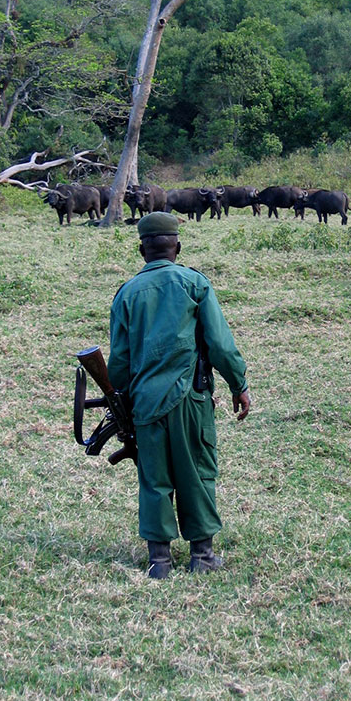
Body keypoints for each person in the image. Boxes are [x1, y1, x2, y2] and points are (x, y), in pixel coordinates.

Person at [107, 212, 251, 579]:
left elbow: (119, 360)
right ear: (178, 247)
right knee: (196, 472)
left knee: (154, 478)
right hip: (191, 399)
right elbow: (220, 345)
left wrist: (120, 401)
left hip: (144, 403)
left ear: (142, 250)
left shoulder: (126, 293)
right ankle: (202, 556)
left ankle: (159, 562)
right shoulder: (195, 283)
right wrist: (238, 385)